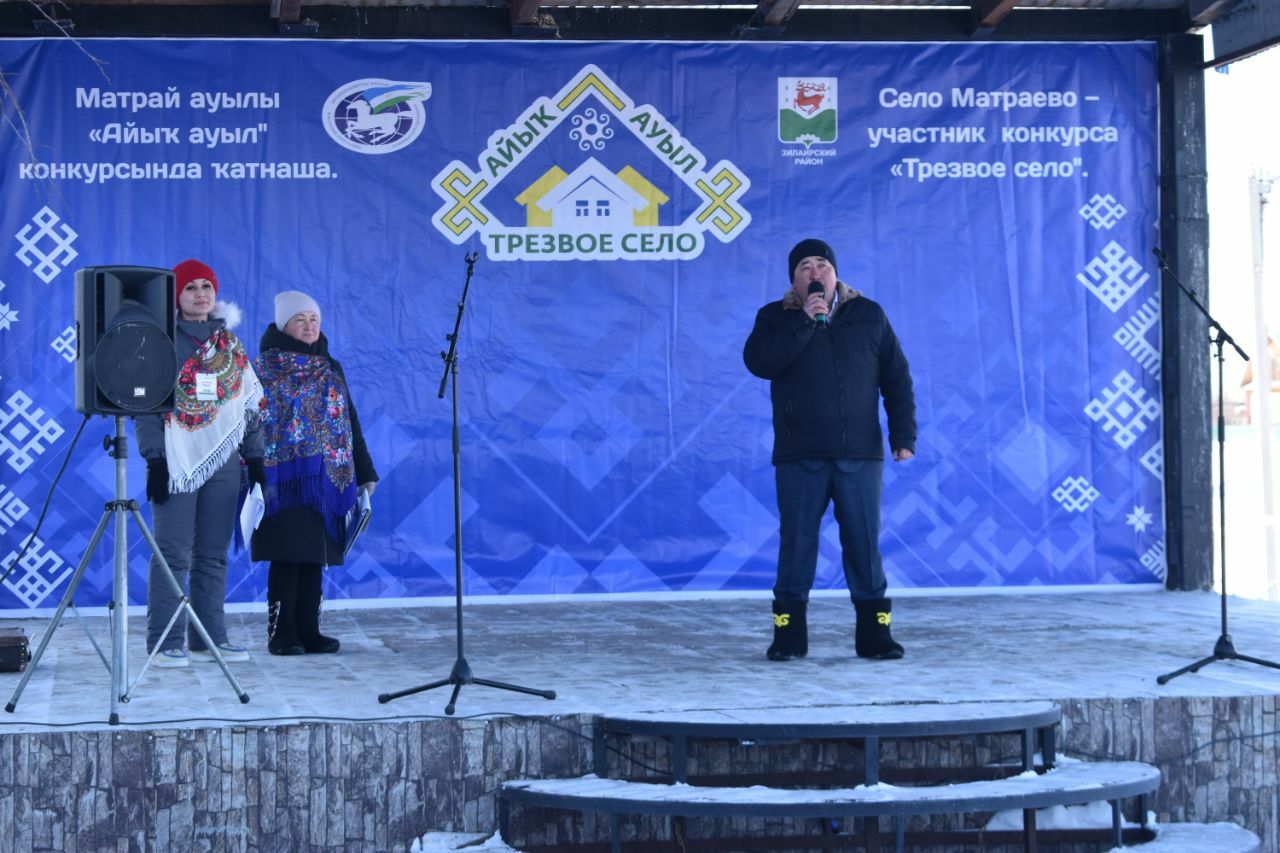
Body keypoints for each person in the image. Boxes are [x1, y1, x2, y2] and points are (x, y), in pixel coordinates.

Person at [743, 238, 916, 662]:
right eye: (805, 266)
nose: (815, 271)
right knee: (796, 544)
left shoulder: (869, 314)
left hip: (860, 454)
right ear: (795, 281)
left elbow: (896, 378)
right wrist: (805, 321)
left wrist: (903, 436)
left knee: (863, 544)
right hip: (799, 453)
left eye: (822, 264)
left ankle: (876, 636)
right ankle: (788, 635)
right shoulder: (775, 317)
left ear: (835, 273)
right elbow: (759, 363)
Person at [136, 259, 265, 668]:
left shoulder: (229, 344)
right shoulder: (162, 341)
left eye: (206, 286)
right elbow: (147, 405)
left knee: (213, 553)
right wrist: (154, 459)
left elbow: (249, 404)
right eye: (190, 287)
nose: (200, 294)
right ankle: (165, 640)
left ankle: (209, 636)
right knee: (173, 552)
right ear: (177, 296)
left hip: (224, 462)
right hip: (176, 460)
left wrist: (256, 457)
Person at [251, 291, 378, 656]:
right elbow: (251, 421)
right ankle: (281, 633)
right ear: (283, 325)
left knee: (314, 556)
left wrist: (365, 471)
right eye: (299, 319)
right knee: (286, 554)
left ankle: (310, 629)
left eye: (314, 320)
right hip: (281, 478)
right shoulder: (263, 368)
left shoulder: (330, 367)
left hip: (326, 477)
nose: (309, 326)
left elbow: (348, 421)